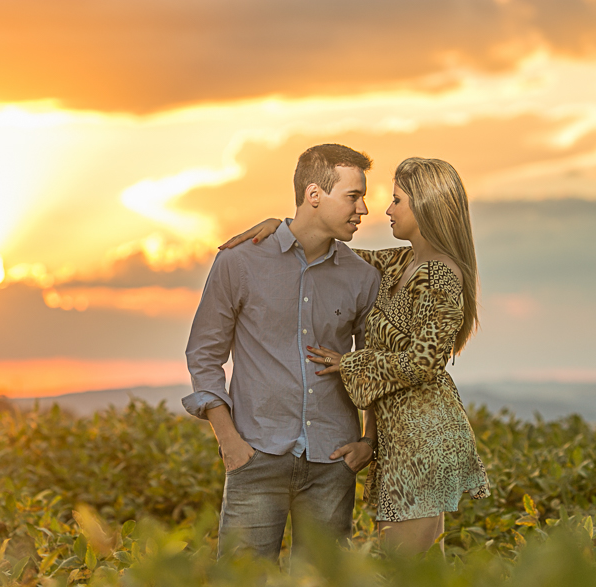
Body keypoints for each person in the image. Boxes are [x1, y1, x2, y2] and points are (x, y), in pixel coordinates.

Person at [222, 157, 490, 555]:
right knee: (404, 567)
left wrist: (348, 363)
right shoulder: (401, 262)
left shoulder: (441, 275)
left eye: (397, 200)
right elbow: (328, 253)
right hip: (398, 436)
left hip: (424, 436)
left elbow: (422, 363)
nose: (385, 210)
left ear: (426, 205)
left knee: (407, 574)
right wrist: (282, 229)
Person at [183, 144, 382, 561]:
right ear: (314, 195)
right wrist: (230, 442)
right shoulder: (240, 262)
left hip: (333, 461)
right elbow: (204, 354)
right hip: (255, 457)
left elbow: (373, 365)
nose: (364, 208)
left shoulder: (363, 276)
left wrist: (368, 441)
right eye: (353, 196)